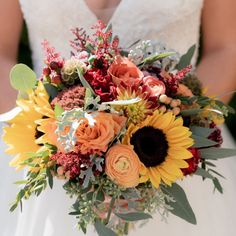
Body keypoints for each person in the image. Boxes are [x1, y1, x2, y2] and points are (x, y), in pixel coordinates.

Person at [0, 0, 236, 235]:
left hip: (176, 151)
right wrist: (58, 148)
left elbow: (226, 47)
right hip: (45, 155)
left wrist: (178, 131)